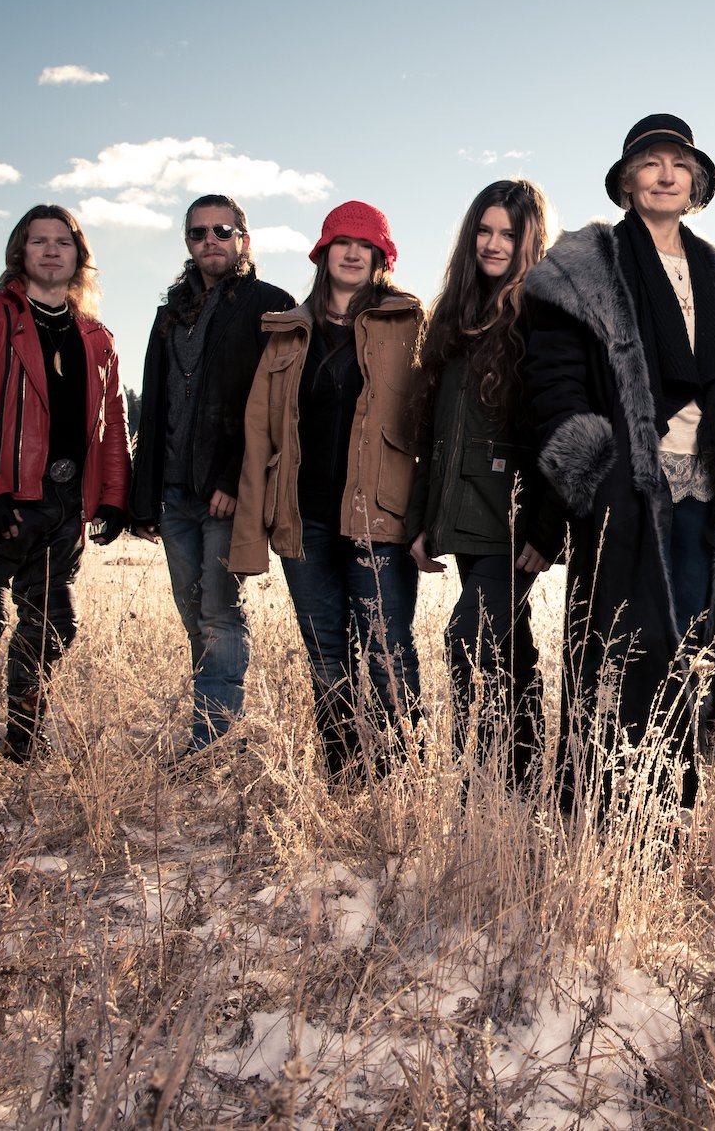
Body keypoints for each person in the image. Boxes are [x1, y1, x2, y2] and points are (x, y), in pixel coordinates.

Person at [524, 115, 715, 818]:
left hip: (704, 489)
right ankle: (609, 805)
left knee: (695, 644)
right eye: (650, 162)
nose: (666, 173)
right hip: (629, 488)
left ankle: (671, 804)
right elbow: (554, 378)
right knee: (621, 648)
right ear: (628, 181)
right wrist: (595, 471)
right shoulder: (589, 262)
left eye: (679, 164)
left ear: (695, 184)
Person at [0, 205, 131, 775]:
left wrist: (113, 495)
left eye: (64, 242)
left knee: (52, 624)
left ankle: (24, 744)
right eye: (40, 241)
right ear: (21, 251)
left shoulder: (97, 336)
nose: (52, 250)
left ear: (79, 256)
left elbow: (111, 420)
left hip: (63, 507)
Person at [228, 201, 424, 782]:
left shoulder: (409, 324)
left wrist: (425, 516)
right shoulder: (290, 331)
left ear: (382, 257)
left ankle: (402, 775)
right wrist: (250, 534)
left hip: (378, 518)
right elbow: (260, 431)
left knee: (387, 650)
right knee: (326, 655)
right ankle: (344, 775)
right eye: (342, 241)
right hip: (306, 516)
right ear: (323, 252)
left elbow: (430, 422)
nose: (352, 252)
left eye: (366, 245)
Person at [409, 180, 567, 789]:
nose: (494, 243)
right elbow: (436, 438)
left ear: (530, 240)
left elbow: (561, 424)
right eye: (485, 230)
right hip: (467, 517)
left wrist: (545, 524)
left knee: (466, 639)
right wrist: (427, 521)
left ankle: (486, 771)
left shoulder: (543, 313)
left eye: (508, 233)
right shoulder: (454, 317)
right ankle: (514, 787)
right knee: (510, 649)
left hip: (515, 522)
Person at [128, 195, 294, 762]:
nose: (210, 241)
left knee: (220, 613)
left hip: (229, 492)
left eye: (222, 230)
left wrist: (233, 477)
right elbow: (156, 406)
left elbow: (271, 403)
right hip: (175, 492)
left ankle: (212, 745)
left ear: (244, 237)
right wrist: (143, 497)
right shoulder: (172, 309)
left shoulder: (269, 305)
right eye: (197, 234)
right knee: (193, 611)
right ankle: (216, 723)